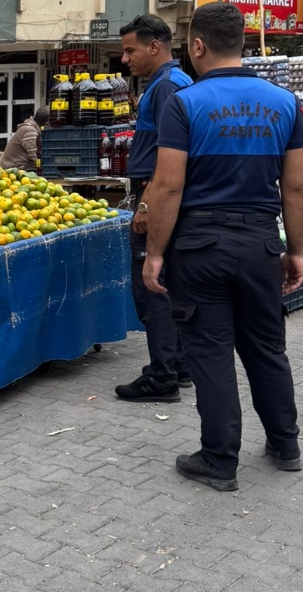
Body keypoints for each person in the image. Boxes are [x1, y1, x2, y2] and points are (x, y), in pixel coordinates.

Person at [140, 1, 303, 492]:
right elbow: (296, 188)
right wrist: (296, 251)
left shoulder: (184, 104)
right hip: (260, 243)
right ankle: (286, 444)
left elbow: (168, 187)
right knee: (267, 348)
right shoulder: (285, 103)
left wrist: (155, 253)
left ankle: (219, 460)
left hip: (200, 248)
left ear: (197, 46)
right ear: (242, 42)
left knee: (211, 353)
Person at [115, 14, 194, 403]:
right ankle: (179, 365)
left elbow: (169, 155)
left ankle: (162, 376)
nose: (125, 59)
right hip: (164, 196)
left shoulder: (166, 88)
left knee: (152, 286)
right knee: (169, 283)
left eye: (130, 50)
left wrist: (146, 203)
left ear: (154, 46)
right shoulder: (175, 82)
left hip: (156, 196)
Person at [0, 107, 49, 171]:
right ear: (47, 123)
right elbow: (36, 157)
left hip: (22, 166)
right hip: (14, 168)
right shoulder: (30, 131)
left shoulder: (34, 129)